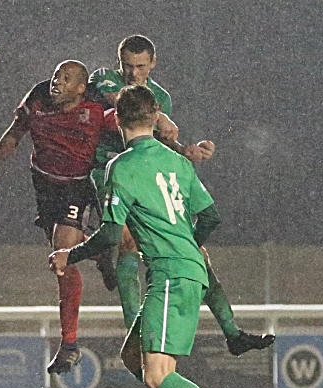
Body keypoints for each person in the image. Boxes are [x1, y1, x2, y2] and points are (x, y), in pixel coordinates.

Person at [50, 85, 244, 388]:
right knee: (132, 357)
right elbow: (211, 217)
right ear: (156, 117)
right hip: (187, 270)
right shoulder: (178, 161)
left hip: (171, 275)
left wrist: (69, 254)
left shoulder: (120, 167)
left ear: (118, 120)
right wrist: (188, 247)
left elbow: (111, 235)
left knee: (157, 374)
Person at [89, 34, 274, 359]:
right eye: (128, 66)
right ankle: (137, 333)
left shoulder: (162, 97)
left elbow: (155, 141)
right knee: (128, 243)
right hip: (110, 172)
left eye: (141, 66)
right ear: (119, 62)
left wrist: (184, 150)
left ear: (153, 63)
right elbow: (124, 100)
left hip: (148, 176)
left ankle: (233, 333)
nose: (133, 73)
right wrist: (160, 117)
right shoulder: (104, 77)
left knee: (196, 254)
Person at [0, 60, 115, 375]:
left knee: (62, 257)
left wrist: (178, 147)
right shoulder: (38, 98)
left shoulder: (97, 105)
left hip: (78, 187)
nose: (57, 81)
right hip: (45, 186)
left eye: (67, 78)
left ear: (81, 88)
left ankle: (69, 344)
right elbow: (14, 135)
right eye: (57, 75)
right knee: (63, 256)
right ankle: (100, 252)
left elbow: (132, 125)